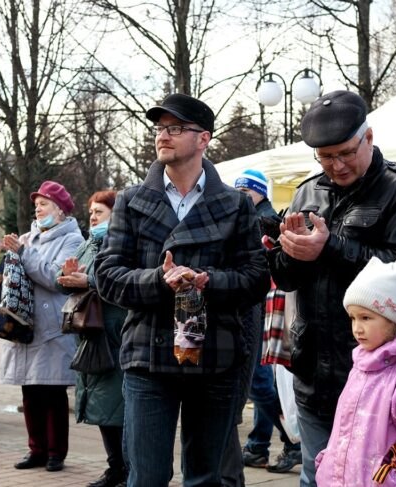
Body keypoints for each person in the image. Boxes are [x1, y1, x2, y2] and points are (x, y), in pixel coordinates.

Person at [95, 93, 270, 486]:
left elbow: (256, 278)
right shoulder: (132, 200)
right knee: (147, 477)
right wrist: (159, 279)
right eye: (160, 128)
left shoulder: (235, 205)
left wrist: (207, 280)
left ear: (203, 138)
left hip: (216, 357)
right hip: (148, 357)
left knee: (206, 477)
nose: (163, 136)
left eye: (175, 128)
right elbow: (107, 275)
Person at [267, 90, 396, 486]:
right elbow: (287, 278)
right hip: (313, 369)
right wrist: (286, 253)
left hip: (377, 373)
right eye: (325, 157)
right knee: (316, 476)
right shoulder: (307, 192)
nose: (336, 166)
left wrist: (331, 248)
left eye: (344, 153)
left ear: (369, 137)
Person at [314, 257, 396, 486]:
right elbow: (343, 429)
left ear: (394, 320)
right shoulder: (359, 368)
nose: (357, 328)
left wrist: (390, 482)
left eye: (366, 317)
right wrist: (327, 464)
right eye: (353, 318)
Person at [1, 180, 84, 473]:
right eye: (36, 204)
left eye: (44, 203)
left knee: (52, 392)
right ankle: (35, 449)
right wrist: (11, 254)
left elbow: (56, 278)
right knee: (30, 392)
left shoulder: (73, 240)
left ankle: (55, 453)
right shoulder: (28, 237)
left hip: (52, 327)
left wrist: (22, 253)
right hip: (26, 324)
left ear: (60, 210)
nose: (38, 208)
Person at [232, 169, 302, 475]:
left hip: (265, 312)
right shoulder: (248, 217)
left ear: (260, 192)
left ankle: (291, 440)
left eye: (246, 191)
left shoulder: (264, 221)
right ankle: (260, 444)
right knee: (260, 384)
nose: (241, 196)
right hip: (258, 311)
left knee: (259, 383)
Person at [57, 190, 128, 487]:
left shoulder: (122, 243)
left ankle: (127, 469)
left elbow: (123, 282)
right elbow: (72, 284)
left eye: (99, 212)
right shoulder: (89, 244)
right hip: (90, 335)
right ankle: (115, 468)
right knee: (100, 407)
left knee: (117, 407)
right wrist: (66, 277)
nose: (93, 218)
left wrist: (89, 281)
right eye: (91, 213)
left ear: (116, 214)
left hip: (114, 334)